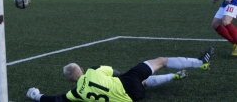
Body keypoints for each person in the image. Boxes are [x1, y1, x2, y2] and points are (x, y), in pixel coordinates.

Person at [26, 47, 214, 102]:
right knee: (161, 61)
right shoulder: (92, 69)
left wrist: (36, 95)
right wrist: (128, 77)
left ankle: (172, 77)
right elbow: (115, 72)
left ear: (69, 80)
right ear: (82, 69)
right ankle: (200, 63)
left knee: (143, 84)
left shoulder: (76, 94)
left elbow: (56, 100)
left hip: (133, 98)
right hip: (128, 81)